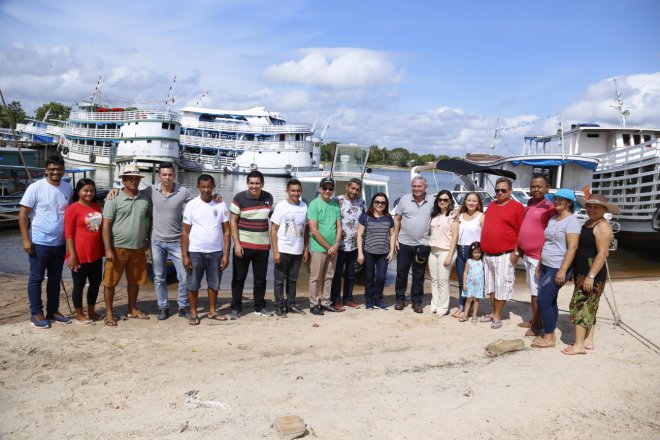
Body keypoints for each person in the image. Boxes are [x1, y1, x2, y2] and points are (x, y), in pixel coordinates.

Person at [19, 156, 73, 328]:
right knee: (36, 278)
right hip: (39, 242)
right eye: (52, 169)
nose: (56, 172)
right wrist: (26, 239)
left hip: (59, 243)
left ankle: (53, 311)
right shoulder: (35, 188)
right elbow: (23, 215)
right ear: (46, 170)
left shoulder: (67, 188)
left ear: (63, 169)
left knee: (55, 278)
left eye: (59, 169)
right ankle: (36, 313)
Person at [562, 195, 618, 355]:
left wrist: (591, 276)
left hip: (592, 274)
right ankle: (588, 340)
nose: (592, 209)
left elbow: (603, 253)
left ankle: (579, 345)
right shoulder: (588, 223)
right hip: (582, 273)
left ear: (604, 210)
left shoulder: (602, 226)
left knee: (578, 306)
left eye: (596, 207)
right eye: (589, 206)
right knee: (590, 306)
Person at [102, 164, 152, 326]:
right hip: (117, 248)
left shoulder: (145, 199)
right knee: (110, 282)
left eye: (136, 178)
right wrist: (108, 249)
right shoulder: (113, 198)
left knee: (134, 281)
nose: (133, 181)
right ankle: (109, 313)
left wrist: (147, 239)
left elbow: (149, 219)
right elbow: (106, 225)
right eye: (129, 178)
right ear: (123, 180)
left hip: (138, 248)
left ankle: (132, 309)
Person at [531, 189, 581, 348]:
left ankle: (549, 336)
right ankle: (550, 331)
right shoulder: (553, 218)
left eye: (562, 199)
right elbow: (547, 243)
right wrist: (540, 262)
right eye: (556, 198)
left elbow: (573, 247)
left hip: (558, 267)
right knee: (550, 300)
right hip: (546, 265)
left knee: (543, 300)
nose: (557, 201)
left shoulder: (572, 221)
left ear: (569, 203)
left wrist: (563, 270)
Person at [182, 174, 230, 325]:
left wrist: (226, 255)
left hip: (216, 252)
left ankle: (212, 311)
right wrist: (185, 256)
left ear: (213, 187)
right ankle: (194, 313)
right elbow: (185, 232)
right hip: (195, 251)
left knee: (214, 284)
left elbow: (227, 231)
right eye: (203, 187)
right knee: (193, 284)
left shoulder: (220, 204)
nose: (206, 190)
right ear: (198, 187)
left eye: (209, 187)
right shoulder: (191, 205)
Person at [480, 177, 525, 329]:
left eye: (503, 190)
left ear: (510, 191)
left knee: (502, 287)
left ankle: (498, 316)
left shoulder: (517, 207)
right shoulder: (492, 205)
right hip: (488, 255)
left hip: (505, 255)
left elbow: (521, 232)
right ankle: (494, 312)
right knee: (491, 287)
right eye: (497, 190)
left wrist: (517, 251)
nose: (500, 193)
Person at [229, 170, 274, 319]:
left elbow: (274, 219)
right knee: (238, 278)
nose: (254, 186)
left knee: (260, 279)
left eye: (257, 183)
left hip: (262, 246)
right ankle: (236, 307)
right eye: (252, 183)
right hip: (243, 245)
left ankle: (259, 307)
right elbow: (233, 221)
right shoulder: (239, 198)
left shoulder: (269, 198)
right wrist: (236, 243)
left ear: (262, 184)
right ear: (247, 183)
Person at [515, 174, 556, 336]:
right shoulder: (531, 203)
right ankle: (536, 320)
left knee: (536, 293)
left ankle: (536, 327)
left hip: (538, 257)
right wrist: (518, 249)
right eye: (533, 186)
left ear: (547, 188)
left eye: (539, 186)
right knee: (532, 289)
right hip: (527, 255)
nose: (535, 189)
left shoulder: (550, 207)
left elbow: (552, 234)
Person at [64, 178, 104, 324]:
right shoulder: (72, 208)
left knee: (95, 283)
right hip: (79, 254)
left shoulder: (97, 207)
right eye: (85, 190)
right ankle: (79, 314)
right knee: (79, 285)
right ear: (78, 191)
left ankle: (91, 311)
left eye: (92, 191)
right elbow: (68, 234)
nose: (89, 193)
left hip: (96, 254)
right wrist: (72, 255)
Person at [393, 176, 434, 313]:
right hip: (404, 243)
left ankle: (417, 301)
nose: (417, 189)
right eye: (414, 186)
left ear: (425, 187)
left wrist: (456, 212)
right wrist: (396, 239)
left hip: (422, 244)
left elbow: (445, 212)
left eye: (419, 186)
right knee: (401, 273)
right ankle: (400, 299)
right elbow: (397, 219)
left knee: (419, 274)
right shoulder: (404, 199)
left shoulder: (433, 201)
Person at [270, 178, 309, 317]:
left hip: (297, 250)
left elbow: (306, 230)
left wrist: (306, 249)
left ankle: (291, 304)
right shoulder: (281, 206)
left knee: (293, 280)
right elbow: (273, 229)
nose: (295, 193)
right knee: (279, 280)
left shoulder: (304, 206)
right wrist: (275, 251)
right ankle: (279, 306)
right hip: (283, 249)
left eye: (298, 190)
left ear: (301, 191)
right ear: (287, 191)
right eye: (292, 190)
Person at [307, 177, 342, 315]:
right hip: (318, 248)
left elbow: (339, 226)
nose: (328, 191)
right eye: (325, 188)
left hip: (333, 248)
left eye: (331, 188)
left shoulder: (335, 205)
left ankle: (326, 302)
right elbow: (314, 230)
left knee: (329, 276)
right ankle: (314, 304)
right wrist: (329, 247)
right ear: (320, 189)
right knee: (315, 277)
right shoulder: (314, 204)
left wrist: (337, 244)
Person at [330, 178, 366, 310]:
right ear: (347, 187)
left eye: (357, 189)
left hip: (355, 245)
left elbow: (364, 221)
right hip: (339, 245)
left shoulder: (361, 202)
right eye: (353, 188)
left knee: (351, 274)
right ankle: (336, 299)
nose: (354, 191)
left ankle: (348, 299)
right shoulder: (337, 200)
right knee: (337, 274)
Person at [357, 193, 395, 310]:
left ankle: (378, 299)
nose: (379, 204)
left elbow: (392, 235)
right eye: (377, 202)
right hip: (368, 252)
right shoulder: (365, 217)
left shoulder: (388, 218)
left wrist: (392, 251)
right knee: (369, 277)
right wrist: (360, 253)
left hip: (383, 253)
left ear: (386, 204)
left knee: (381, 277)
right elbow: (359, 235)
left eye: (382, 203)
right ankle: (369, 300)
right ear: (373, 203)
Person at [452, 192, 484, 319]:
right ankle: (462, 306)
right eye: (469, 200)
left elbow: (485, 235)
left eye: (474, 201)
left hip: (475, 252)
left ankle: (470, 307)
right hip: (461, 250)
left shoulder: (481, 216)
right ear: (465, 201)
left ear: (478, 203)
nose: (471, 203)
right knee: (462, 281)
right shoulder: (460, 215)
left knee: (475, 281)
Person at [428, 190, 458, 315]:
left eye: (445, 200)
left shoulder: (453, 216)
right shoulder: (434, 215)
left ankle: (443, 306)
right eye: (440, 199)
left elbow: (455, 237)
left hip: (446, 251)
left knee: (443, 280)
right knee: (434, 280)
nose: (442, 202)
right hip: (433, 251)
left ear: (450, 201)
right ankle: (435, 303)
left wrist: (450, 256)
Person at [460, 241, 485, 323]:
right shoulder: (469, 261)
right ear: (471, 252)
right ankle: (465, 314)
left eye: (479, 252)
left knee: (476, 299)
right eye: (475, 252)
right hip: (469, 284)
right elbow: (465, 272)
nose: (477, 254)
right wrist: (464, 283)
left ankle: (474, 315)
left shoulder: (482, 262)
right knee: (468, 299)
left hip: (479, 284)